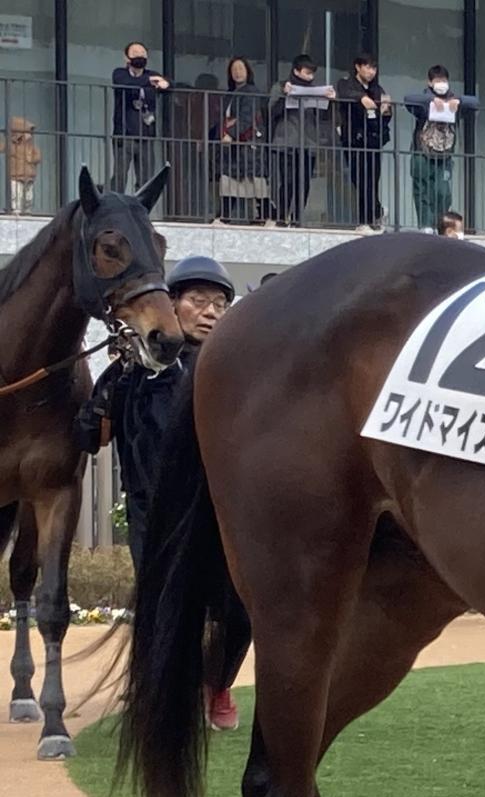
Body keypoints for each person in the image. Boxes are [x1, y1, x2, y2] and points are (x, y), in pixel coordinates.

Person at [73, 255, 248, 730]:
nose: (210, 311)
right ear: (171, 305)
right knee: (165, 610)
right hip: (152, 516)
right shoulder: (131, 371)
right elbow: (89, 436)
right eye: (198, 300)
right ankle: (157, 692)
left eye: (220, 304)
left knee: (241, 609)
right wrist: (111, 388)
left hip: (219, 515)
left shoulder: (237, 371)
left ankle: (217, 683)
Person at [404, 66, 479, 233]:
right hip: (422, 152)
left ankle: (440, 224)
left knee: (443, 193)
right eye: (437, 81)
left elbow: (474, 102)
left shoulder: (453, 101)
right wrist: (431, 100)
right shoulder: (424, 101)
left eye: (444, 80)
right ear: (430, 82)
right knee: (422, 190)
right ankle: (426, 225)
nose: (441, 84)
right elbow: (408, 99)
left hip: (445, 156)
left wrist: (457, 101)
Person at [271, 54, 335, 227]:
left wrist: (329, 101)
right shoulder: (280, 86)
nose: (310, 77)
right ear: (296, 71)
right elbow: (271, 112)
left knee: (304, 182)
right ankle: (282, 216)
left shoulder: (315, 90)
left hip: (309, 142)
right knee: (288, 180)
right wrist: (284, 96)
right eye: (307, 73)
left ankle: (298, 218)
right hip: (287, 141)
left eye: (312, 73)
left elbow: (323, 116)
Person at [335, 53, 392, 231]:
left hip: (373, 140)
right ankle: (371, 215)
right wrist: (361, 98)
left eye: (374, 68)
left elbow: (384, 118)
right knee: (359, 179)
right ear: (358, 67)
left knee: (372, 180)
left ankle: (370, 219)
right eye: (367, 67)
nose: (371, 72)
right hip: (354, 140)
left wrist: (385, 110)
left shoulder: (377, 89)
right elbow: (344, 94)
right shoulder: (346, 83)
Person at [213, 57, 270, 225]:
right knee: (229, 180)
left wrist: (231, 134)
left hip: (248, 145)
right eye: (234, 70)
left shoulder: (251, 92)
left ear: (248, 71)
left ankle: (264, 215)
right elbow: (221, 121)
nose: (237, 72)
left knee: (253, 180)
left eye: (241, 68)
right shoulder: (229, 94)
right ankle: (224, 216)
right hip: (232, 147)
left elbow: (247, 117)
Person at [112, 41, 170, 194]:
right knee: (119, 177)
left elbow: (169, 84)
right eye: (135, 53)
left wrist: (165, 84)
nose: (140, 56)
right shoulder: (120, 73)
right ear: (126, 58)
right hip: (124, 135)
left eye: (143, 53)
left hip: (146, 135)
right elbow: (125, 83)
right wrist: (149, 81)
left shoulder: (152, 74)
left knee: (146, 179)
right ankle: (115, 204)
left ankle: (140, 206)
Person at [2, 116, 42, 214]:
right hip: (16, 176)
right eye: (27, 133)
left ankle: (27, 210)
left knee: (29, 196)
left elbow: (38, 157)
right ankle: (16, 209)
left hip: (29, 176)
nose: (29, 136)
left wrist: (31, 158)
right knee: (16, 194)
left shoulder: (31, 147)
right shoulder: (12, 146)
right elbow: (2, 147)